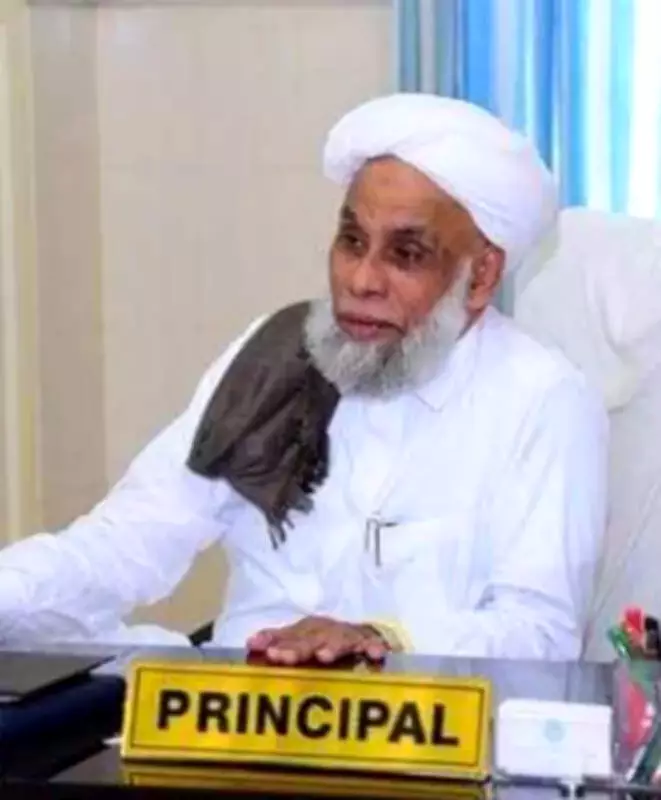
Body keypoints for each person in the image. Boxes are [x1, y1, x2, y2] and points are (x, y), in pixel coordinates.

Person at [0, 93, 608, 662]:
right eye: (352, 241)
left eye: (406, 254)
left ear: (480, 277)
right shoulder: (277, 355)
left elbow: (542, 634)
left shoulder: (542, 400)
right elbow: (126, 542)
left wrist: (382, 640)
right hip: (239, 709)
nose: (361, 280)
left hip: (424, 723)